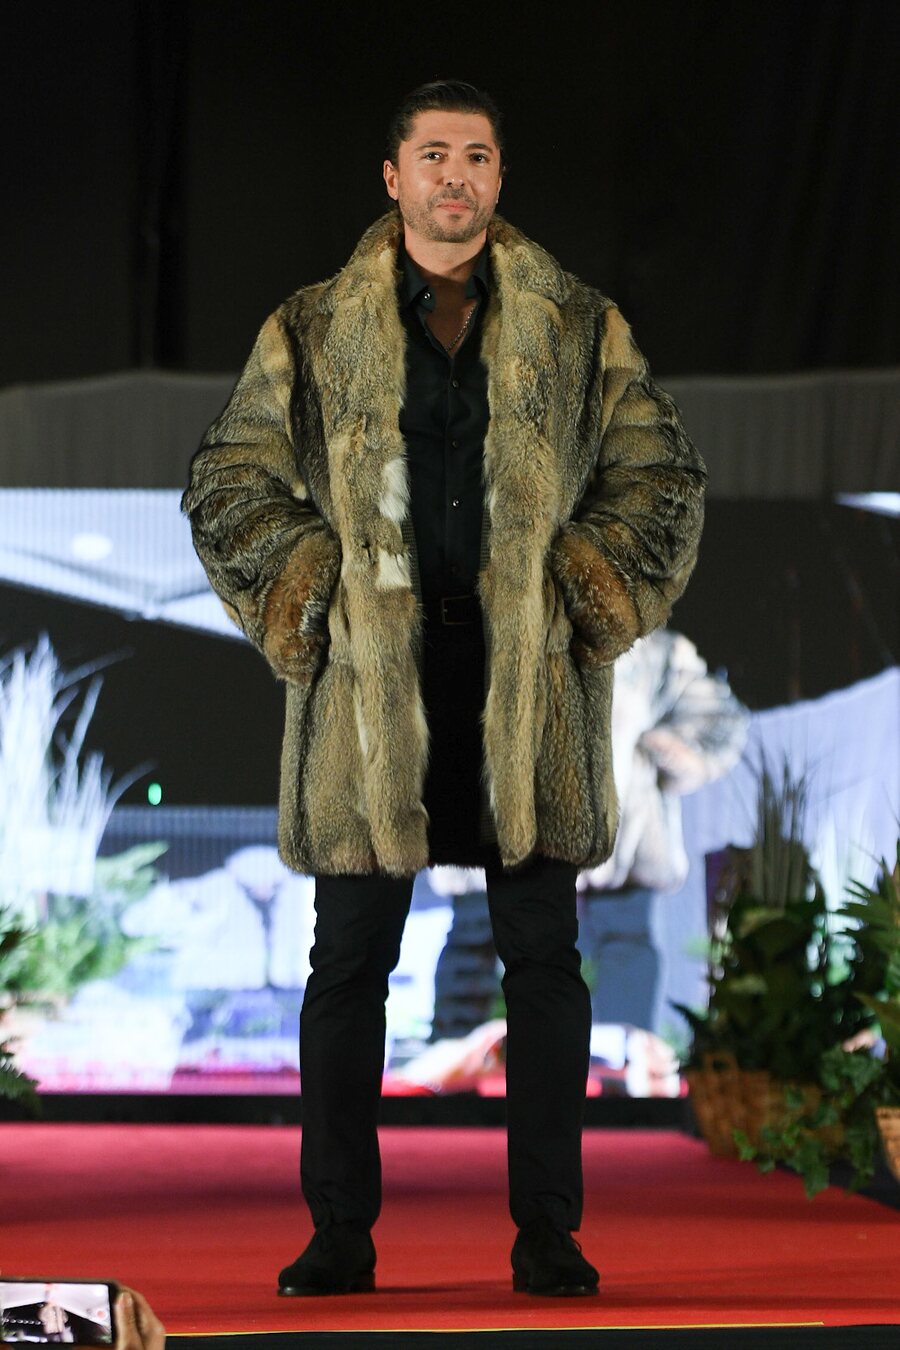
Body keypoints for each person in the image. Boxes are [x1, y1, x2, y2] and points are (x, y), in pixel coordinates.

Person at [183, 80, 706, 1298]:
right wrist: (311, 580)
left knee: (545, 967)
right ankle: (337, 1234)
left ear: (499, 178)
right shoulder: (309, 331)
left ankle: (549, 1235)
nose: (455, 176)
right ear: (393, 176)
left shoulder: (581, 327)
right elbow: (228, 481)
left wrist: (586, 582)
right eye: (434, 155)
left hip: (526, 688)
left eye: (476, 156)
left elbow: (661, 478)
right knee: (347, 966)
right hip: (372, 691)